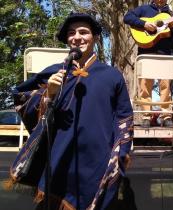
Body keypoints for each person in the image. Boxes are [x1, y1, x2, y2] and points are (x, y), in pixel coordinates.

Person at [10, 13, 133, 210]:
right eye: (71, 33)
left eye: (83, 32)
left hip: (98, 159)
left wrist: (121, 154)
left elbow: (124, 117)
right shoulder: (54, 71)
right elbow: (21, 97)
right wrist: (47, 94)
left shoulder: (112, 76)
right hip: (58, 157)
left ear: (95, 38)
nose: (77, 37)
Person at [124, 0, 173, 127]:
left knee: (165, 87)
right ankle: (146, 116)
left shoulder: (171, 14)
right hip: (146, 53)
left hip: (165, 56)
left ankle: (167, 116)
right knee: (145, 86)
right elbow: (127, 17)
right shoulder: (144, 9)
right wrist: (144, 24)